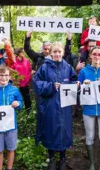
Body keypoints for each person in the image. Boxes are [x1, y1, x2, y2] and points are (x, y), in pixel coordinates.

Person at [33, 42, 78, 170]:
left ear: (63, 53)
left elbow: (74, 79)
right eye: (55, 52)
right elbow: (37, 83)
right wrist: (51, 86)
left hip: (65, 105)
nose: (57, 54)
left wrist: (76, 84)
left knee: (65, 129)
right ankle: (52, 158)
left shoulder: (68, 67)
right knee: (51, 129)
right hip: (50, 104)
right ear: (51, 53)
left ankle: (63, 158)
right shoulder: (44, 67)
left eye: (59, 52)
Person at [78, 46, 100, 170]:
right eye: (95, 54)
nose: (97, 57)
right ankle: (92, 163)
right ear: (90, 56)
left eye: (99, 54)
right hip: (89, 108)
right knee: (89, 136)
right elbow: (79, 90)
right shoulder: (83, 71)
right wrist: (83, 84)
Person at [0, 65, 23, 170]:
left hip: (11, 126)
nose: (4, 78)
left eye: (6, 75)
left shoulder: (14, 89)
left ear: (10, 77)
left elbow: (21, 103)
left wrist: (18, 103)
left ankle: (9, 168)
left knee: (11, 148)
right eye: (1, 75)